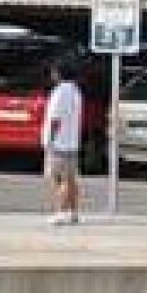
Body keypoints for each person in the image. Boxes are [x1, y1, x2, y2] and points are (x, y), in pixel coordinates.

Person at [41, 61, 84, 225]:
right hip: (71, 140)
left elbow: (55, 118)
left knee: (59, 179)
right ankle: (73, 212)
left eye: (53, 72)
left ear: (59, 73)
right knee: (71, 178)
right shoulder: (76, 91)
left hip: (59, 142)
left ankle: (60, 212)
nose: (52, 75)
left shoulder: (59, 92)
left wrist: (50, 139)